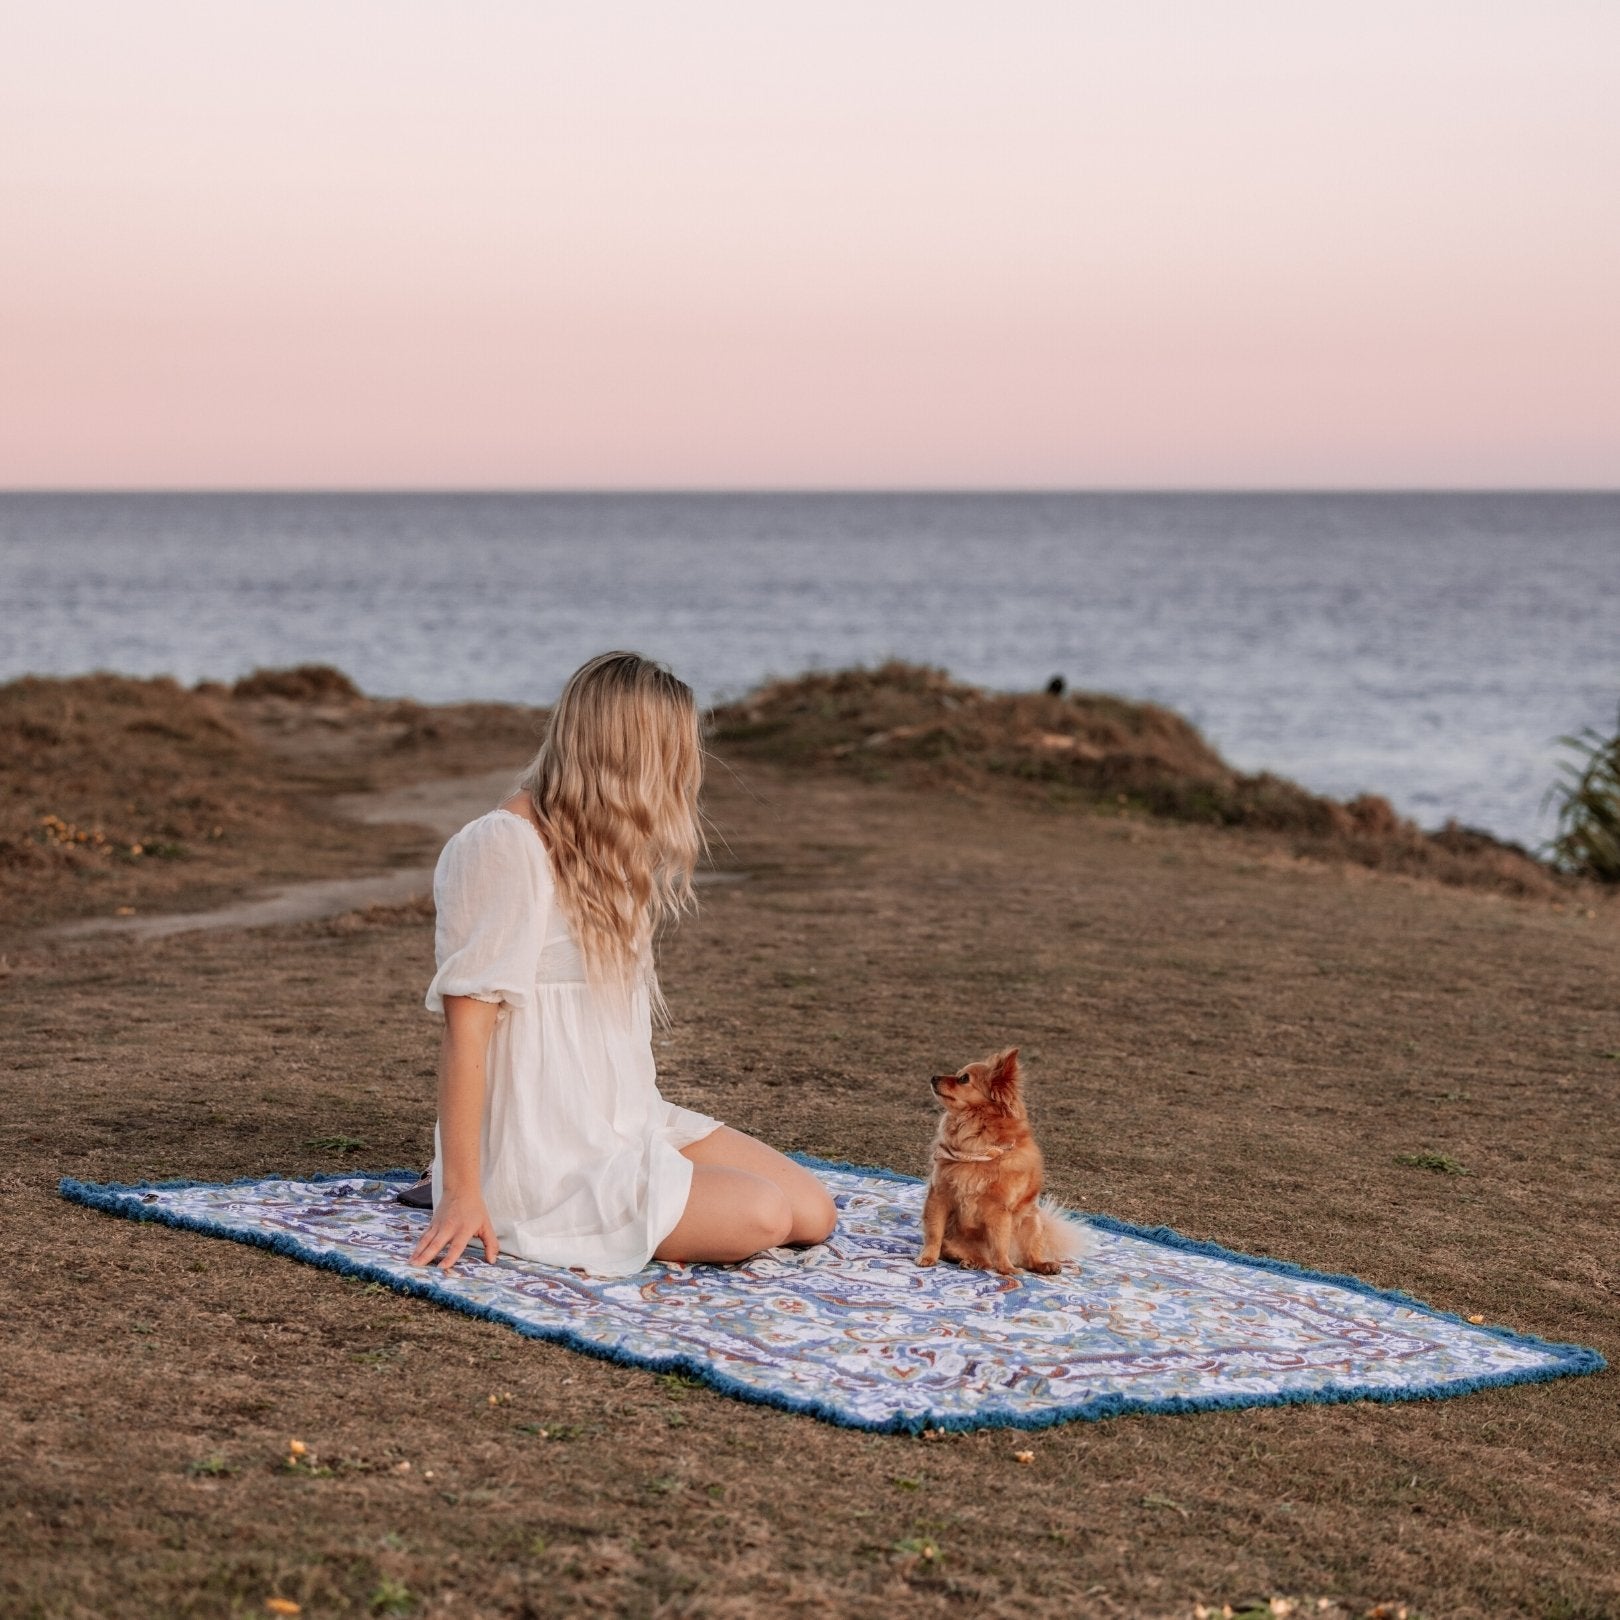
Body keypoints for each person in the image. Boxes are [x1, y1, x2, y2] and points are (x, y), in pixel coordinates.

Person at [407, 651, 837, 1276]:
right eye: (674, 753)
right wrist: (462, 1191)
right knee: (763, 1215)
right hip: (546, 1153)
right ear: (626, 755)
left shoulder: (607, 853)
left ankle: (645, 1181)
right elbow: (466, 1028)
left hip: (625, 1122)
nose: (687, 772)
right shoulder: (503, 846)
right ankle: (478, 1186)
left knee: (812, 1212)